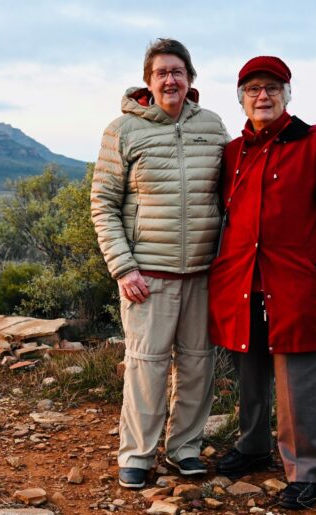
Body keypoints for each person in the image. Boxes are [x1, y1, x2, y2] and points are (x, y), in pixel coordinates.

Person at [208, 56, 316, 509]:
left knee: (300, 382)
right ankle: (254, 447)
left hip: (298, 286)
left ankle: (309, 470)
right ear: (242, 100)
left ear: (287, 94)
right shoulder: (234, 152)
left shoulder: (315, 145)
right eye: (254, 89)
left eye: (272, 88)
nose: (263, 96)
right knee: (251, 375)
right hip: (242, 284)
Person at [90, 38, 229, 489]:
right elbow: (103, 204)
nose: (171, 79)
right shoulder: (123, 131)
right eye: (161, 73)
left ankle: (185, 449)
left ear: (191, 79)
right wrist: (123, 267)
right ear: (148, 82)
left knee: (198, 366)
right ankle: (137, 454)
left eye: (178, 72)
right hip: (146, 275)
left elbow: (230, 194)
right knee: (146, 367)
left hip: (204, 274)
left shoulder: (212, 126)